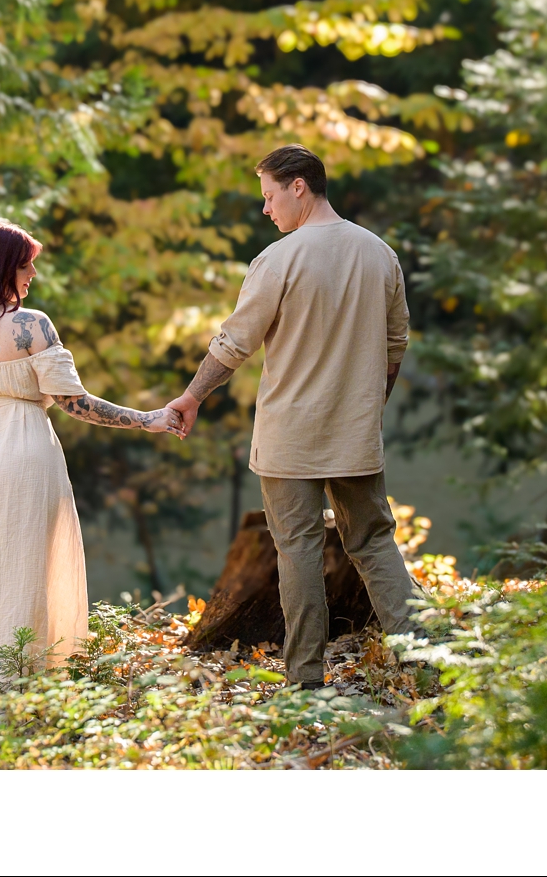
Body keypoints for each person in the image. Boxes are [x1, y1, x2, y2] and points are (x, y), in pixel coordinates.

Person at [165, 144, 421, 689]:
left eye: (269, 195)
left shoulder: (277, 260)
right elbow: (396, 346)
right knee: (374, 542)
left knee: (298, 549)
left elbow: (234, 344)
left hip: (289, 439)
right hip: (355, 433)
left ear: (298, 186)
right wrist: (367, 407)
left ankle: (305, 683)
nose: (266, 210)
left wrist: (191, 396)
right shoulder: (379, 254)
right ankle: (430, 664)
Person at [0, 219, 179, 737]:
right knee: (31, 579)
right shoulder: (32, 326)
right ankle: (28, 711)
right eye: (25, 263)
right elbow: (74, 403)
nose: (32, 273)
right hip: (24, 460)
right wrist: (147, 418)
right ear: (1, 269)